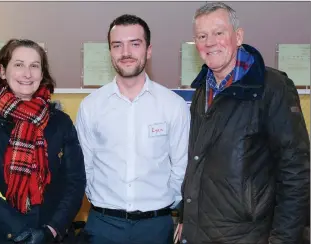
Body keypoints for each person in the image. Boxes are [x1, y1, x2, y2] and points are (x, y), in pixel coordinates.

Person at [176, 2, 310, 244]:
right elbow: (197, 161)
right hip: (201, 232)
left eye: (219, 32)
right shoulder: (202, 90)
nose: (210, 42)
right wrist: (186, 218)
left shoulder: (272, 87)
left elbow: (296, 173)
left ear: (238, 37)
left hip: (250, 235)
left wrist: (283, 239)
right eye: (202, 36)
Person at [76, 14, 190, 244]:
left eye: (134, 44)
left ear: (148, 50)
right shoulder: (91, 106)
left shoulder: (173, 105)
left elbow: (181, 165)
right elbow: (84, 165)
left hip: (156, 227)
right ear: (110, 51)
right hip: (103, 225)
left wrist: (168, 206)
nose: (125, 52)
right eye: (117, 45)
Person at [0, 39, 86, 244]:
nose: (27, 74)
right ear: (3, 71)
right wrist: (19, 231)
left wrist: (50, 231)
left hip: (56, 236)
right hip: (5, 235)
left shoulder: (60, 122)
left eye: (34, 66)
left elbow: (75, 182)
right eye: (18, 65)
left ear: (42, 73)